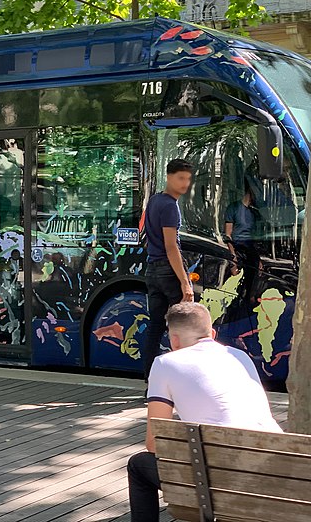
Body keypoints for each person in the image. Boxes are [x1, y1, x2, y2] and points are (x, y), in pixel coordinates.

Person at [127, 302, 282, 522]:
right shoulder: (240, 356)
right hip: (273, 475)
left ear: (174, 340)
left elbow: (154, 443)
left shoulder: (165, 363)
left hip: (222, 483)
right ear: (212, 333)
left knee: (138, 466)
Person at [142, 159, 195, 381]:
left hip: (152, 269)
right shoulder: (170, 206)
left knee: (155, 326)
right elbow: (171, 246)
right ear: (169, 177)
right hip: (167, 270)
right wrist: (184, 282)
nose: (185, 184)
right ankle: (182, 379)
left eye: (188, 179)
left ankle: (150, 380)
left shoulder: (154, 201)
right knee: (183, 325)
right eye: (180, 178)